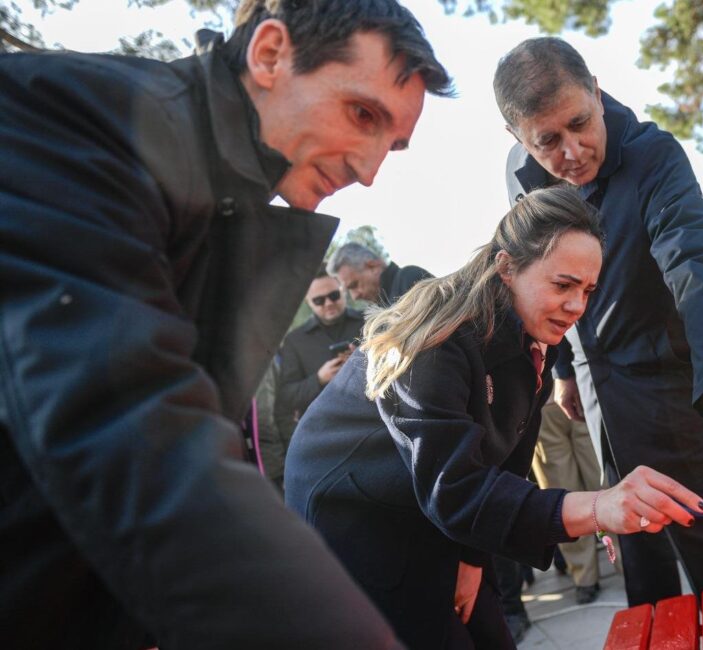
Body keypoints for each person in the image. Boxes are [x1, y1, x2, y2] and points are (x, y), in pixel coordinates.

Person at [0, 0, 452, 647]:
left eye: (393, 144)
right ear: (270, 54)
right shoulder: (89, 123)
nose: (370, 169)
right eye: (362, 115)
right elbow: (130, 429)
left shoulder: (227, 194)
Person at [284, 186, 703, 649]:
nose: (577, 307)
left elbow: (505, 464)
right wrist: (596, 507)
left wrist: (472, 558)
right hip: (359, 514)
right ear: (507, 267)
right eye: (563, 285)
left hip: (431, 499)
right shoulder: (434, 340)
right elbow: (458, 487)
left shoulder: (534, 338)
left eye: (588, 290)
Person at [494, 37, 703, 607]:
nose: (573, 151)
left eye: (581, 122)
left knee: (702, 531)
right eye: (547, 142)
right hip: (593, 384)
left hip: (668, 382)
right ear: (517, 139)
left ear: (597, 93)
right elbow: (542, 277)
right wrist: (563, 367)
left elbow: (698, 260)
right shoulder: (520, 176)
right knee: (631, 538)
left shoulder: (653, 155)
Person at [273, 270, 366, 469]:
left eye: (333, 295)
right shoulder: (294, 341)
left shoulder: (368, 321)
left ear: (343, 290)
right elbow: (286, 397)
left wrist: (363, 361)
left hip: (372, 428)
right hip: (326, 441)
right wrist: (319, 379)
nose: (328, 303)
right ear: (308, 302)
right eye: (319, 300)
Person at [530, 402, 605, 605]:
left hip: (579, 386)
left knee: (601, 479)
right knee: (560, 489)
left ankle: (628, 561)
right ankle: (584, 575)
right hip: (540, 400)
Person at [328, 241, 432, 305]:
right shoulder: (381, 307)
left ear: (373, 266)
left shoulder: (409, 277)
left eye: (355, 285)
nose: (355, 296)